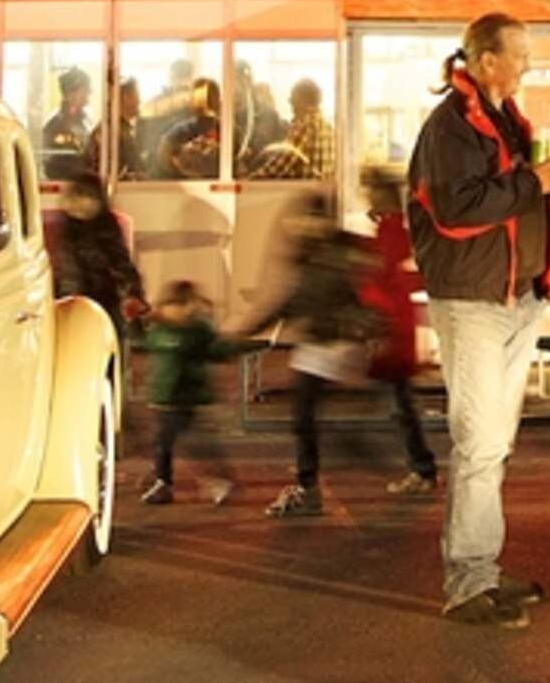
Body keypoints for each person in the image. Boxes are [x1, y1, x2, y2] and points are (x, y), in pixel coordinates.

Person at [407, 11, 550, 626]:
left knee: (494, 443)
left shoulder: (498, 119)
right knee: (479, 442)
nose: (527, 64)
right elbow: (454, 210)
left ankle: (482, 569)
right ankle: (469, 582)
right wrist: (531, 184)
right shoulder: (451, 126)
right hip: (473, 302)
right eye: (519, 54)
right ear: (487, 59)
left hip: (512, 298)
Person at [257, 189, 382, 516]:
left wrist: (368, 326)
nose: (296, 226)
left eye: (303, 220)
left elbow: (313, 298)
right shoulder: (315, 252)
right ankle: (316, 476)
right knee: (305, 415)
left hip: (332, 341)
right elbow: (295, 300)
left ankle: (312, 483)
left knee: (304, 415)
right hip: (320, 341)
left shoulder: (331, 253)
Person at [358, 163, 439, 495]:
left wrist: (374, 328)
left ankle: (422, 469)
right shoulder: (396, 233)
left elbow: (382, 282)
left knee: (401, 408)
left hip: (390, 331)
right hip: (397, 327)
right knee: (401, 404)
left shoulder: (387, 236)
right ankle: (421, 468)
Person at [138, 279, 251, 505]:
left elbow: (215, 350)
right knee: (166, 442)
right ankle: (165, 482)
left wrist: (234, 345)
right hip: (165, 396)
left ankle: (215, 480)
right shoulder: (160, 328)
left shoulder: (195, 330)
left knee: (191, 443)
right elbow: (144, 343)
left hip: (186, 396)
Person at [50, 173, 147, 333]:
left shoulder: (75, 225)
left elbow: (119, 260)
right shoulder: (83, 226)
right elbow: (119, 260)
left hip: (90, 295)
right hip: (91, 294)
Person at [38, 68, 99, 179]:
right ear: (71, 93)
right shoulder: (56, 125)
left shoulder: (85, 121)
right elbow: (57, 162)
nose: (89, 93)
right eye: (85, 89)